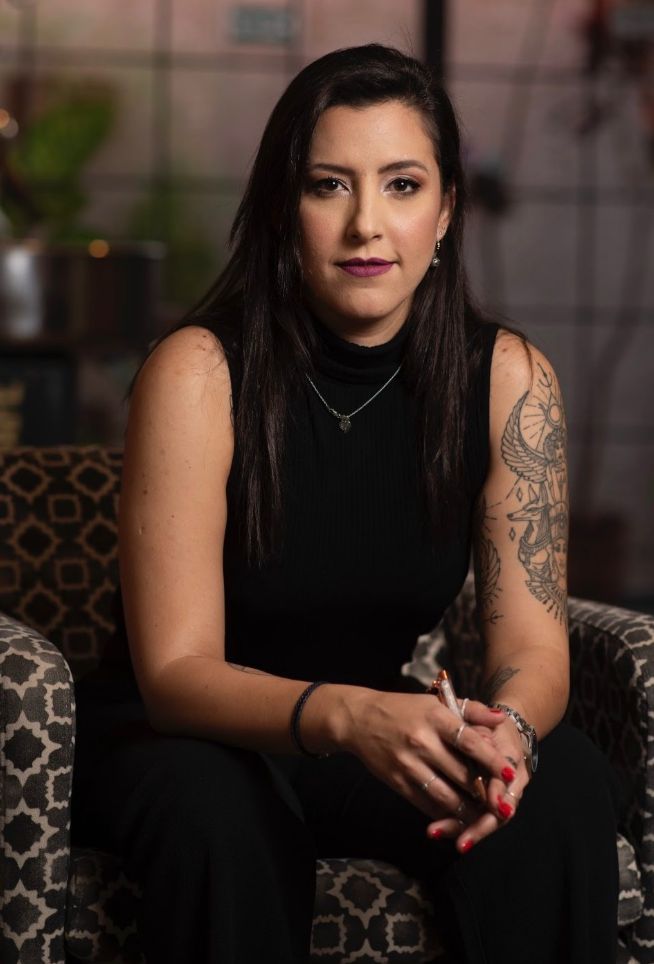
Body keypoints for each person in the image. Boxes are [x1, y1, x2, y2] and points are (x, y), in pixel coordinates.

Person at [71, 43, 620, 964]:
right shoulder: (199, 372)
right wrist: (352, 717)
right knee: (220, 811)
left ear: (446, 210)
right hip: (187, 735)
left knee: (555, 783)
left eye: (403, 186)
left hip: (363, 729)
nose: (367, 224)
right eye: (329, 186)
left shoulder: (508, 380)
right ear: (284, 209)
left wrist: (509, 735)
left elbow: (532, 646)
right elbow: (174, 673)